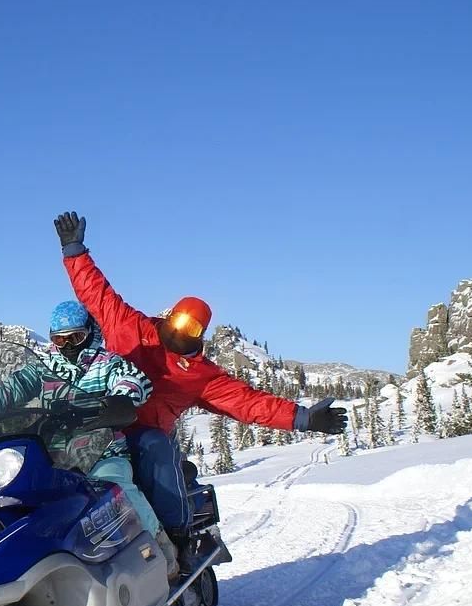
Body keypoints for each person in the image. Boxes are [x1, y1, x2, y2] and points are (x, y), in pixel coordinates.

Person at [52, 211, 348, 564]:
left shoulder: (200, 375)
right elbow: (96, 293)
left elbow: (248, 402)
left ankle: (178, 539)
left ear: (201, 334)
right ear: (171, 315)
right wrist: (74, 251)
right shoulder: (131, 326)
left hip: (141, 434)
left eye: (193, 328)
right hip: (95, 427)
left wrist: (302, 418)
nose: (182, 330)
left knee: (153, 445)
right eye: (180, 320)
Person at [0, 300, 182, 580]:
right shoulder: (44, 369)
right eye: (59, 339)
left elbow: (134, 380)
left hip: (103, 452)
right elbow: (4, 391)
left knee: (116, 489)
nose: (68, 346)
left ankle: (163, 552)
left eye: (75, 338)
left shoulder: (107, 364)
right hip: (55, 458)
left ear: (89, 334)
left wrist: (118, 400)